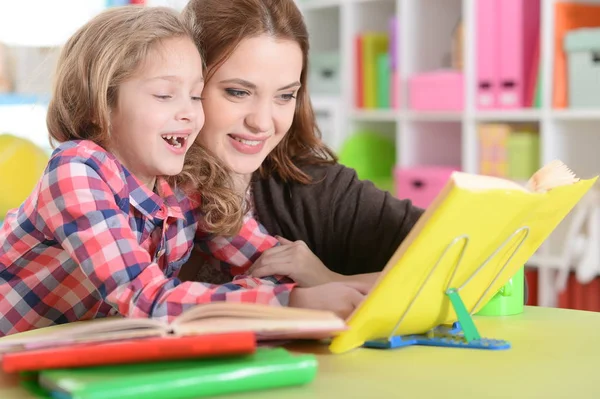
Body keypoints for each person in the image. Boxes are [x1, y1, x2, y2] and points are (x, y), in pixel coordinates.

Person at [0, 5, 365, 337]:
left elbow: (266, 262)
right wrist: (293, 303)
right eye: (164, 95)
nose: (190, 113)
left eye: (195, 95)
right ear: (99, 106)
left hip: (67, 356)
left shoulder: (187, 183)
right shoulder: (75, 171)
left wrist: (303, 289)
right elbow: (150, 302)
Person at [178, 0, 424, 293]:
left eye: (284, 96)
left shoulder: (317, 188)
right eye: (238, 92)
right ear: (188, 84)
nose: (263, 123)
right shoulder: (133, 188)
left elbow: (471, 259)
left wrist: (333, 281)